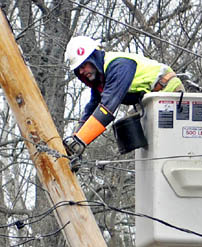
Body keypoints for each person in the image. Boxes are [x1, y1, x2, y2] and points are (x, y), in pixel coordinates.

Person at [62, 35, 183, 166]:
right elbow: (91, 110)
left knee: (165, 152)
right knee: (130, 133)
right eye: (78, 68)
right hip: (152, 101)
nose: (81, 71)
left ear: (94, 58)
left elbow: (107, 108)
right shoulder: (102, 78)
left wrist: (80, 142)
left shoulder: (118, 66)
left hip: (169, 94)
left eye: (84, 65)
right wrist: (74, 142)